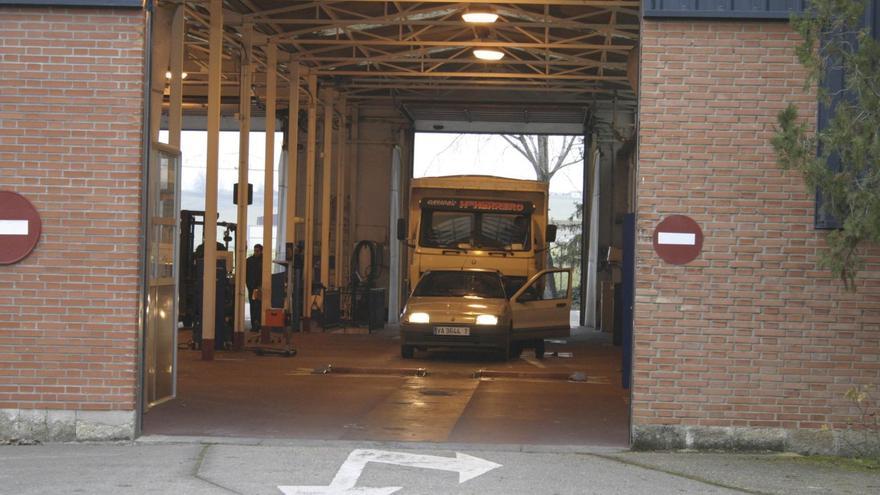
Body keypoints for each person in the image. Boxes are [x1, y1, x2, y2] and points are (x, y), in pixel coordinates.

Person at [246, 244, 263, 332]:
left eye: (257, 251)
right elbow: (247, 274)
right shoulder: (249, 261)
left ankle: (259, 324)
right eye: (255, 250)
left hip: (260, 287)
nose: (256, 253)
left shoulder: (263, 261)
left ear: (261, 251)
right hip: (252, 287)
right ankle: (254, 325)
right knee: (253, 306)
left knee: (259, 306)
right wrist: (249, 285)